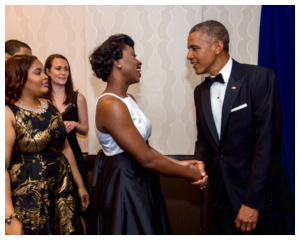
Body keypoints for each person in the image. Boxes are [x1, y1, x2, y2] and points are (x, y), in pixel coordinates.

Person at [89, 34, 208, 235]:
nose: (139, 61)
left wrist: (179, 163)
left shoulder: (127, 99)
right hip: (125, 186)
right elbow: (145, 158)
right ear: (117, 62)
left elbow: (141, 147)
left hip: (140, 180)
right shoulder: (110, 105)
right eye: (133, 55)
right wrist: (190, 174)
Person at [187, 20, 294, 234]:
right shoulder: (200, 91)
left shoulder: (259, 78)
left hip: (260, 202)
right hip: (221, 202)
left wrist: (253, 202)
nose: (189, 56)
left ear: (217, 47)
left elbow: (268, 143)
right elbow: (204, 140)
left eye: (194, 48)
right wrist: (200, 161)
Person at [5, 54, 89, 235]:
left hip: (62, 189)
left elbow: (65, 148)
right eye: (38, 72)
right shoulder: (8, 113)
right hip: (30, 196)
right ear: (19, 78)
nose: (45, 77)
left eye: (44, 72)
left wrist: (80, 185)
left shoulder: (49, 105)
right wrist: (8, 215)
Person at [44, 54, 90, 234]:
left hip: (74, 158)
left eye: (66, 69)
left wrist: (76, 125)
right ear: (48, 71)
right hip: (50, 158)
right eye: (58, 68)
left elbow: (85, 130)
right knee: (53, 208)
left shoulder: (78, 98)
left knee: (79, 208)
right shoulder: (41, 99)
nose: (63, 73)